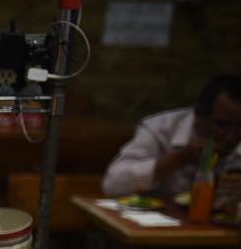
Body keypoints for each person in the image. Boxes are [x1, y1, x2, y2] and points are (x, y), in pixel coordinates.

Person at [101, 75, 241, 199]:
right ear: (198, 115)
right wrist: (178, 159)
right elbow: (112, 185)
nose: (232, 137)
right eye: (222, 124)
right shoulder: (160, 129)